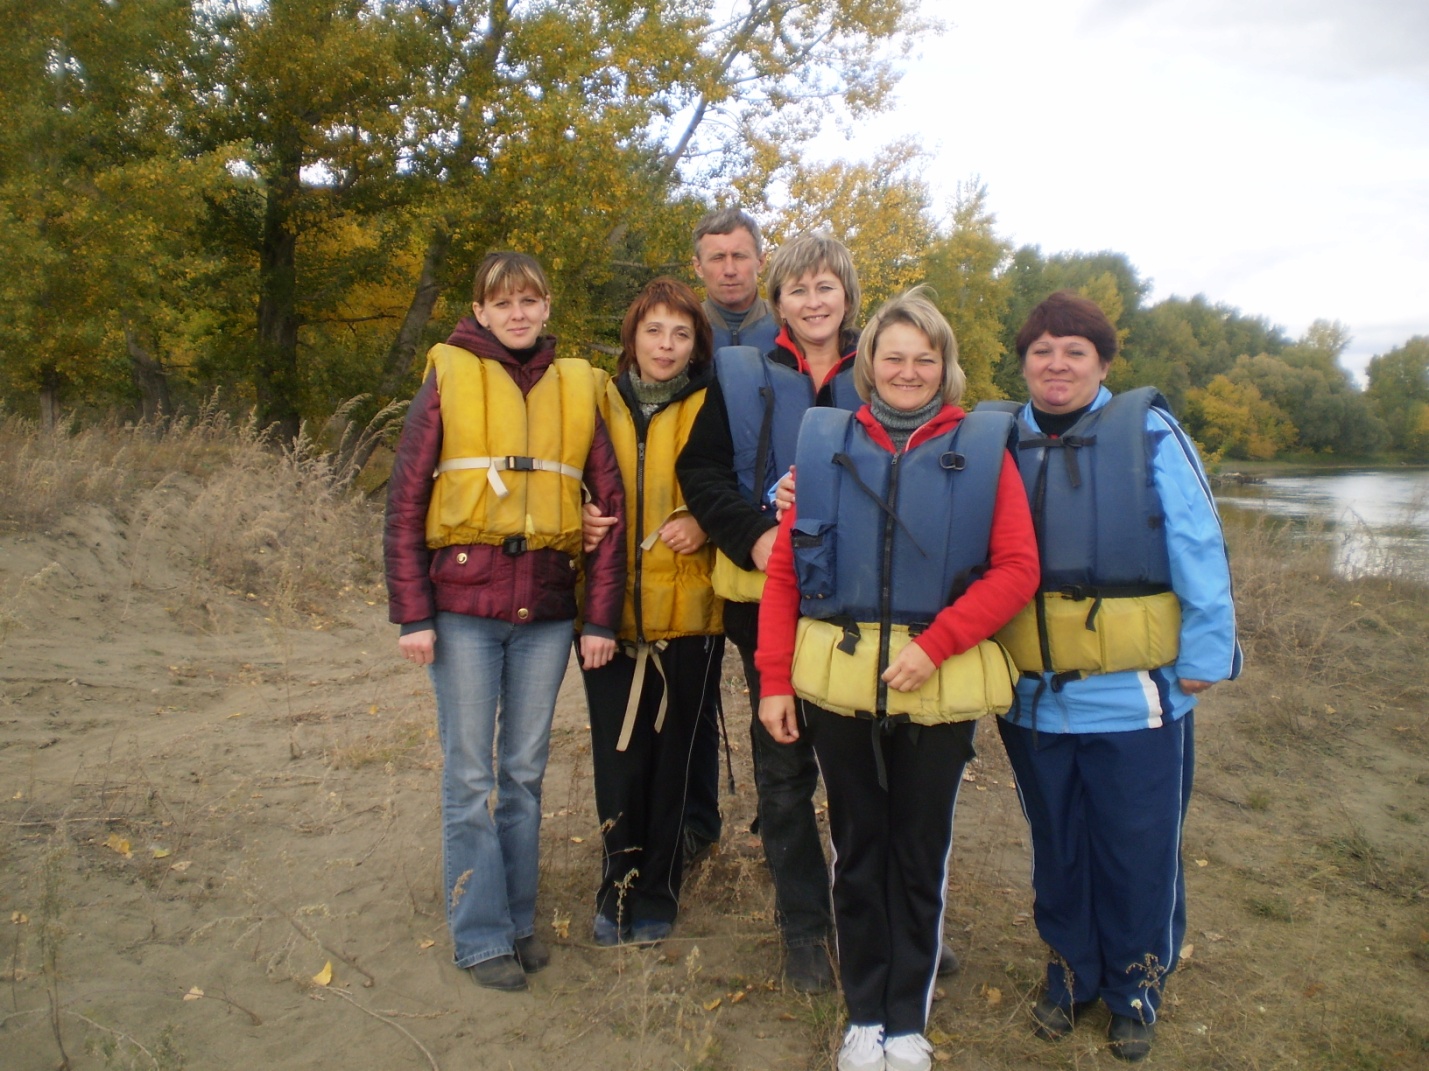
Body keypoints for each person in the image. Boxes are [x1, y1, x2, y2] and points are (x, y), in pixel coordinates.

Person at [755, 289, 1039, 1071]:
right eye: (893, 356)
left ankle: (907, 1020)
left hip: (934, 682)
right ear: (868, 366)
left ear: (943, 366)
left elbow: (1017, 570)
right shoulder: (823, 447)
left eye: (924, 357)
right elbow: (784, 576)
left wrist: (937, 644)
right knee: (857, 845)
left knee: (919, 850)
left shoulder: (984, 451)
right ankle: (864, 1016)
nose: (908, 370)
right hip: (840, 686)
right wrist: (773, 680)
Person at [983, 290, 1240, 1062]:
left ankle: (1136, 984)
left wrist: (1203, 655)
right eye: (1042, 350)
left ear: (1101, 363)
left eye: (1075, 351)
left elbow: (1198, 541)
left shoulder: (1149, 433)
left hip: (1135, 696)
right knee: (1056, 843)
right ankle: (1069, 974)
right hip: (1031, 696)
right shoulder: (993, 436)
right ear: (1023, 360)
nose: (1056, 364)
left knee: (1137, 844)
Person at [384, 252, 626, 992]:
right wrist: (411, 614)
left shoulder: (580, 385)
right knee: (469, 776)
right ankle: (480, 932)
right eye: (503, 301)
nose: (518, 312)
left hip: (548, 612)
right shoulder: (448, 374)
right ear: (481, 311)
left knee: (523, 773)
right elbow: (403, 504)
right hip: (463, 611)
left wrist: (599, 618)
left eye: (530, 300)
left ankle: (518, 920)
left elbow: (609, 514)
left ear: (546, 307)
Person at [676, 230, 864, 992]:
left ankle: (873, 914)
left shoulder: (888, 364)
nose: (813, 301)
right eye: (797, 289)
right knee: (782, 767)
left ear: (847, 296)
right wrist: (752, 536)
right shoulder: (741, 370)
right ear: (775, 299)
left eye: (826, 287)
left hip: (861, 605)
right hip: (767, 603)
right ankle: (803, 930)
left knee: (861, 772)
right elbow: (701, 468)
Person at [579, 278, 725, 946]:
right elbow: (562, 475)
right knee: (619, 759)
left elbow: (741, 485)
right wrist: (571, 515)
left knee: (673, 760)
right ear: (631, 336)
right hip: (606, 612)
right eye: (653, 330)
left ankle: (659, 889)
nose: (665, 345)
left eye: (680, 333)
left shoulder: (714, 403)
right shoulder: (593, 401)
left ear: (696, 344)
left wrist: (704, 518)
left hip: (689, 612)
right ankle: (617, 884)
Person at [692, 205, 780, 355]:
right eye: (717, 258)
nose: (729, 270)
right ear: (698, 266)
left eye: (739, 256)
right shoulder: (683, 329)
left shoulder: (790, 325)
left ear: (760, 262)